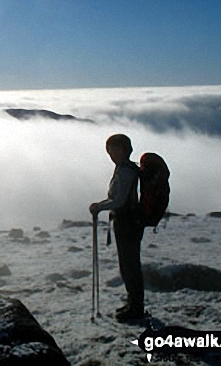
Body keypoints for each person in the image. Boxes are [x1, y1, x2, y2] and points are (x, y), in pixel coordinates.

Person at [89, 134, 145, 321]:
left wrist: (99, 206)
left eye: (114, 149)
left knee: (129, 266)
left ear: (124, 150)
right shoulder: (125, 169)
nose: (111, 153)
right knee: (129, 265)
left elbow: (119, 200)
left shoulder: (125, 171)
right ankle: (134, 304)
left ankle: (135, 308)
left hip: (127, 223)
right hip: (130, 222)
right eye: (109, 150)